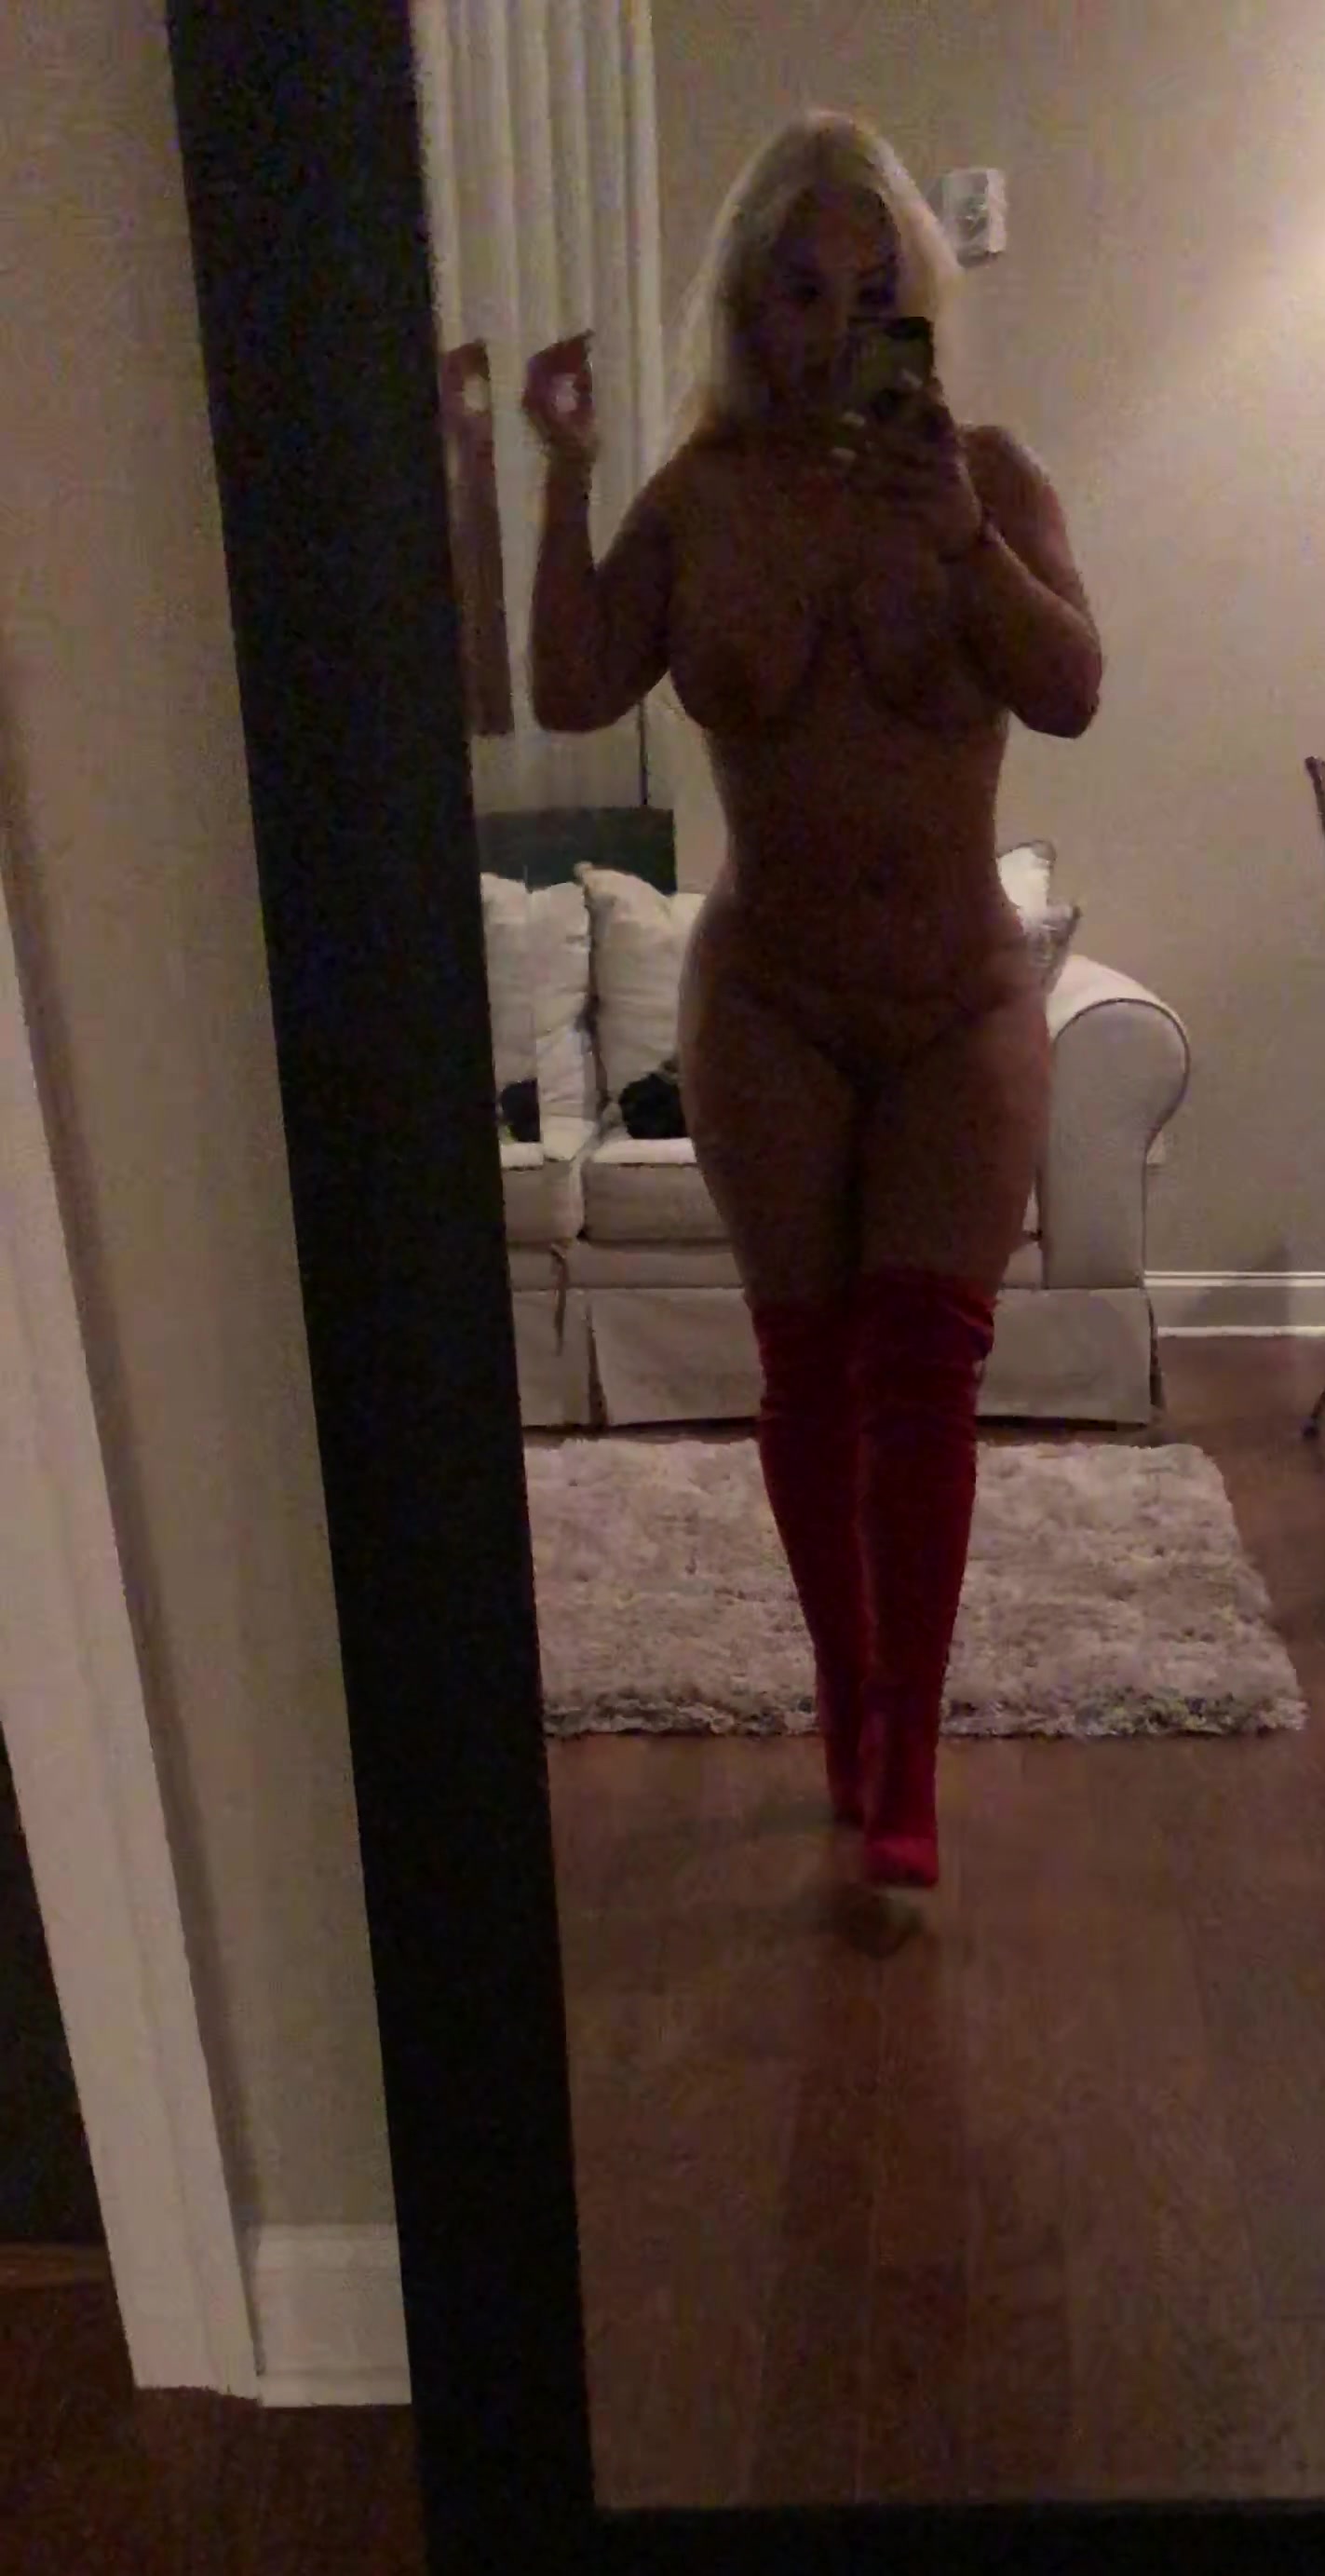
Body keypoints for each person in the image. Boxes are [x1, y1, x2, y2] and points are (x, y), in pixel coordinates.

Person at [521, 112, 1102, 1895]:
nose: (836, 321)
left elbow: (1072, 687)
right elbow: (569, 689)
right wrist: (560, 473)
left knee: (926, 1368)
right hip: (767, 996)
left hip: (956, 999)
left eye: (871, 286)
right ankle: (846, 1694)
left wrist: (966, 544)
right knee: (808, 1374)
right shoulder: (700, 495)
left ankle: (906, 1752)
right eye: (798, 287)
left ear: (913, 297)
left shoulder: (985, 474)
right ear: (745, 302)